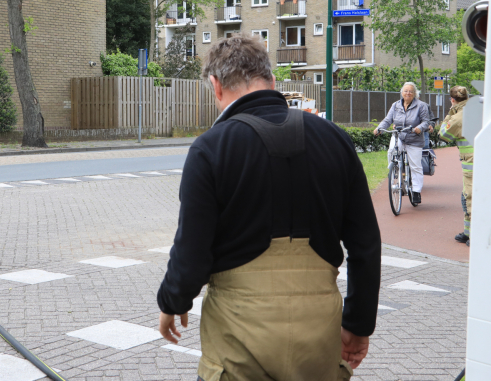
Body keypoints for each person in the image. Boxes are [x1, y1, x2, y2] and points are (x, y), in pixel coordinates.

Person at [157, 36, 381, 381]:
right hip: (318, 336)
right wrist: (358, 324)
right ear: (272, 81)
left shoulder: (210, 149)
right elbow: (365, 244)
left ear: (216, 86)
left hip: (237, 340)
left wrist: (173, 301)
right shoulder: (335, 139)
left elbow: (192, 250)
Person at [374, 82, 430, 204]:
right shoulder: (395, 105)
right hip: (399, 135)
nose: (408, 93)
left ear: (414, 93)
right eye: (405, 91)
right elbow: (388, 120)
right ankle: (394, 170)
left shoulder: (421, 106)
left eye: (410, 91)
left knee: (415, 166)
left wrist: (419, 128)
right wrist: (379, 128)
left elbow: (426, 121)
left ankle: (416, 191)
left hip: (414, 138)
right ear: (401, 93)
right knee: (391, 151)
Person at [438, 86, 473, 246]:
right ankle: (467, 232)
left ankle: (475, 235)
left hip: (471, 163)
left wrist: (450, 113)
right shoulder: (476, 109)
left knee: (470, 197)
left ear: (452, 100)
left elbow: (443, 135)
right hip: (479, 160)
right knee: (466, 195)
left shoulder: (458, 117)